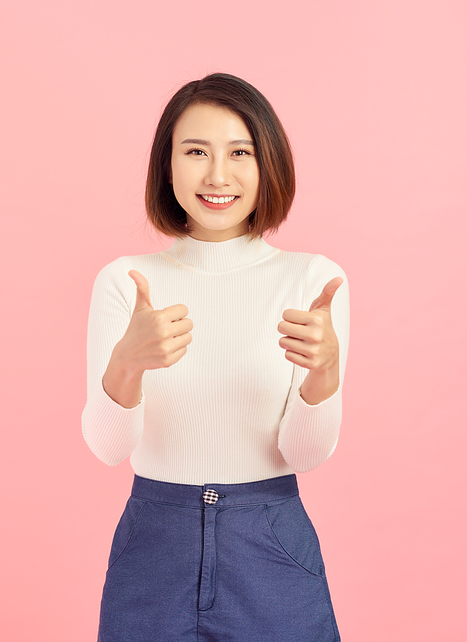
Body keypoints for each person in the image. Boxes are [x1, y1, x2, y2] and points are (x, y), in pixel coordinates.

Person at [82, 73, 350, 642]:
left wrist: (324, 374)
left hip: (271, 543)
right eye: (196, 151)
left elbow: (305, 452)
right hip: (153, 544)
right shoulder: (126, 282)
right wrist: (127, 363)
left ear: (268, 163)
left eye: (240, 153)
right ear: (168, 165)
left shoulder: (312, 280)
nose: (218, 175)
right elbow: (109, 450)